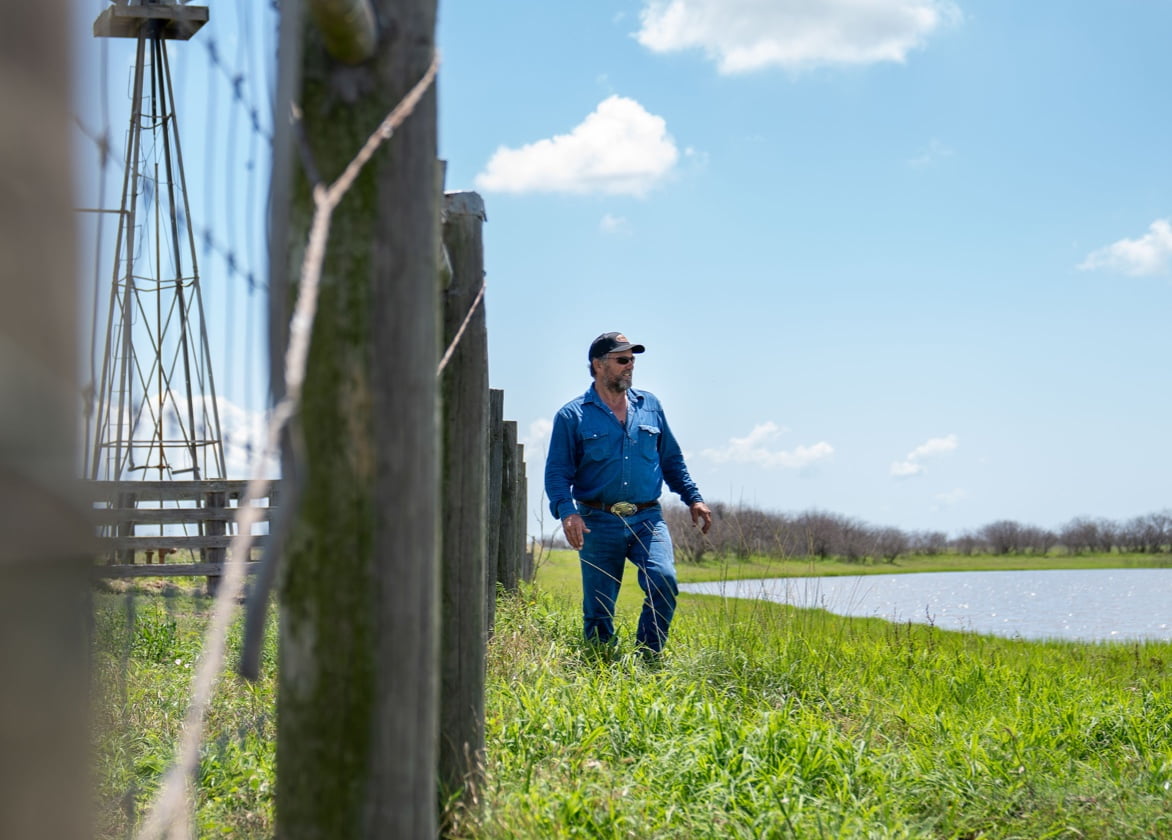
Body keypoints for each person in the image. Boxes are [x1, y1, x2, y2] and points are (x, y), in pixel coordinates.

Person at [544, 332, 713, 658]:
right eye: (622, 360)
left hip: (647, 517)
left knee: (663, 580)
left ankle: (648, 656)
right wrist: (568, 512)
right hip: (597, 520)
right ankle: (600, 666)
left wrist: (693, 497)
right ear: (598, 364)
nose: (630, 366)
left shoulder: (650, 406)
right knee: (599, 610)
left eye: (633, 360)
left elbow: (671, 460)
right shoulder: (572, 416)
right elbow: (557, 473)